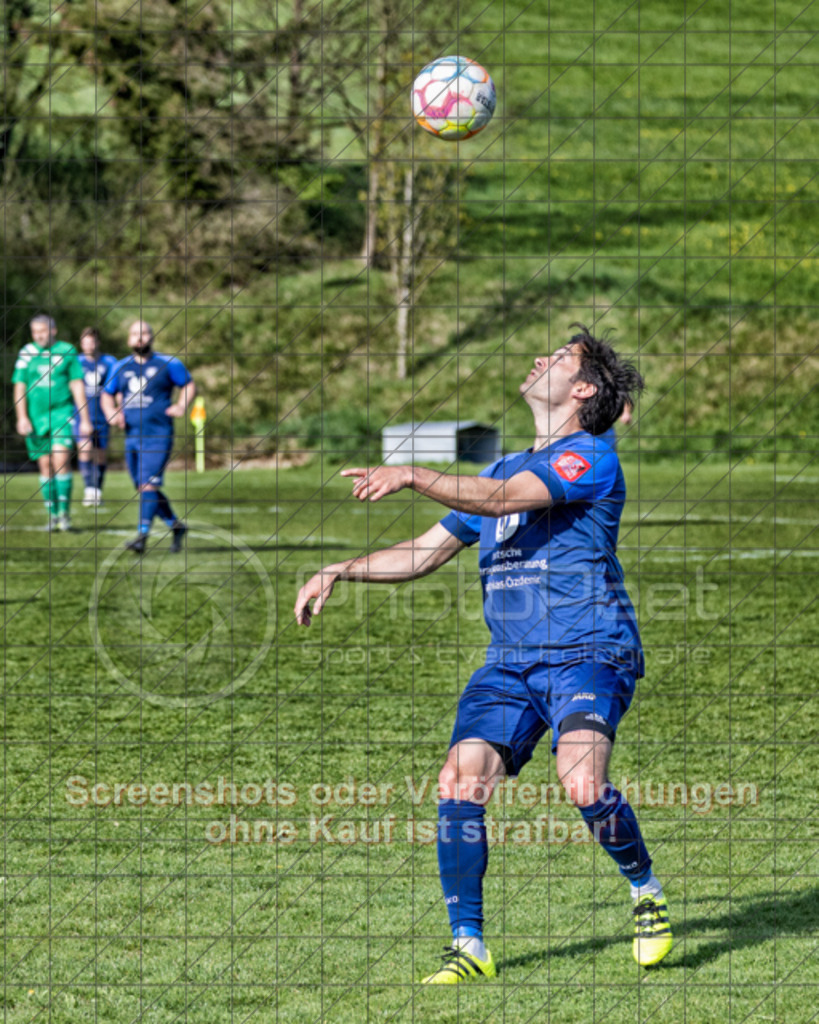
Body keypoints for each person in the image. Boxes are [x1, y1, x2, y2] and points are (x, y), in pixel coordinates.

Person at [295, 325, 673, 984]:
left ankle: (645, 889)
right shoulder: (498, 469)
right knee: (458, 781)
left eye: (559, 358)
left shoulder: (589, 456)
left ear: (583, 390)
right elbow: (423, 552)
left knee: (581, 781)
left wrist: (412, 473)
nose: (539, 358)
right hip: (509, 664)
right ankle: (469, 945)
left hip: (588, 650)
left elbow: (501, 501)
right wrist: (340, 568)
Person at [100, 320, 195, 554]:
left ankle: (141, 536)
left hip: (158, 435)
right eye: (135, 334)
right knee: (144, 488)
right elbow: (107, 394)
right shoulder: (120, 367)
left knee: (147, 485)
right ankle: (176, 526)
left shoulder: (168, 363)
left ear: (152, 337)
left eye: (144, 333)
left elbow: (188, 384)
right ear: (129, 339)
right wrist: (112, 412)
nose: (139, 337)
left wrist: (181, 405)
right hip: (132, 436)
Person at [13, 315, 92, 531]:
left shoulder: (67, 351)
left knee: (61, 459)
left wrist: (85, 419)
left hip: (61, 414)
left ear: (53, 330)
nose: (39, 335)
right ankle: (53, 515)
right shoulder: (27, 353)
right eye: (35, 332)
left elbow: (77, 385)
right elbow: (19, 386)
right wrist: (22, 416)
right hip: (36, 418)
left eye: (43, 331)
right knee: (45, 465)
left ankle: (64, 514)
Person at [73, 327, 118, 507]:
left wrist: (116, 409)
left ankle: (97, 490)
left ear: (97, 342)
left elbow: (116, 387)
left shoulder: (109, 362)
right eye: (85, 342)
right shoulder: (76, 362)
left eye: (91, 342)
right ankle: (88, 490)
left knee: (100, 454)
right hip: (81, 415)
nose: (88, 346)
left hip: (102, 415)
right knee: (85, 449)